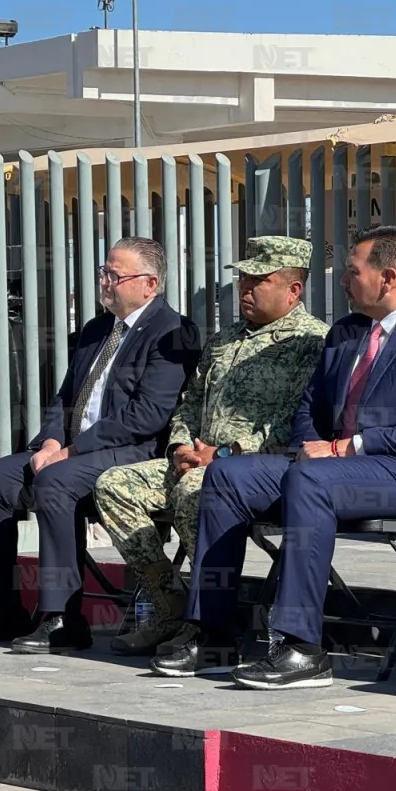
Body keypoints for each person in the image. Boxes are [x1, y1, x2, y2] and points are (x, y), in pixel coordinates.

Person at [151, 226, 396, 689]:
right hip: (337, 469)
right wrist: (317, 451)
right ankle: (214, 635)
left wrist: (345, 449)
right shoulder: (347, 331)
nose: (343, 281)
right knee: (228, 477)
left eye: (352, 271)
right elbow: (310, 410)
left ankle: (302, 648)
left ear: (387, 277)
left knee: (311, 482)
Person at [0, 237, 201, 654]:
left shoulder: (174, 331)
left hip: (134, 452)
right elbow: (66, 398)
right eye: (104, 272)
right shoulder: (95, 329)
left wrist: (70, 451)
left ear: (150, 284)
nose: (104, 282)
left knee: (56, 482)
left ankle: (62, 617)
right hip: (74, 449)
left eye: (115, 276)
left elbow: (149, 415)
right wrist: (51, 440)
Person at [93, 237, 328, 656]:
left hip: (257, 473)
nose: (245, 289)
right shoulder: (224, 339)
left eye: (259, 280)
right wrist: (180, 446)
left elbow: (294, 423)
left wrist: (219, 455)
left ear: (294, 289)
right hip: (194, 460)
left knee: (194, 490)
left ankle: (209, 619)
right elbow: (188, 402)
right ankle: (170, 606)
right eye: (242, 280)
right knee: (114, 485)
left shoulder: (311, 343)